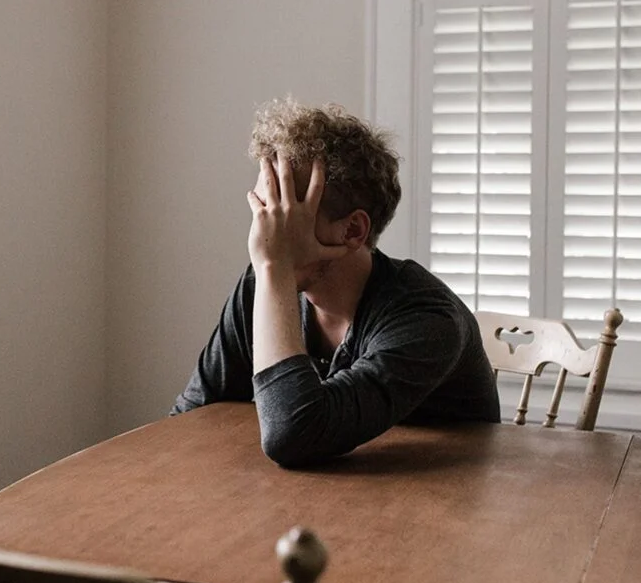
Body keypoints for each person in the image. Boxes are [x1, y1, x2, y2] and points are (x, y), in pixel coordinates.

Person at [172, 97, 500, 468]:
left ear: (353, 230)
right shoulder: (263, 284)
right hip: (320, 498)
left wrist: (275, 268)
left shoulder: (427, 319)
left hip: (442, 505)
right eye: (263, 210)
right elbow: (189, 418)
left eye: (284, 214)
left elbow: (293, 435)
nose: (263, 233)